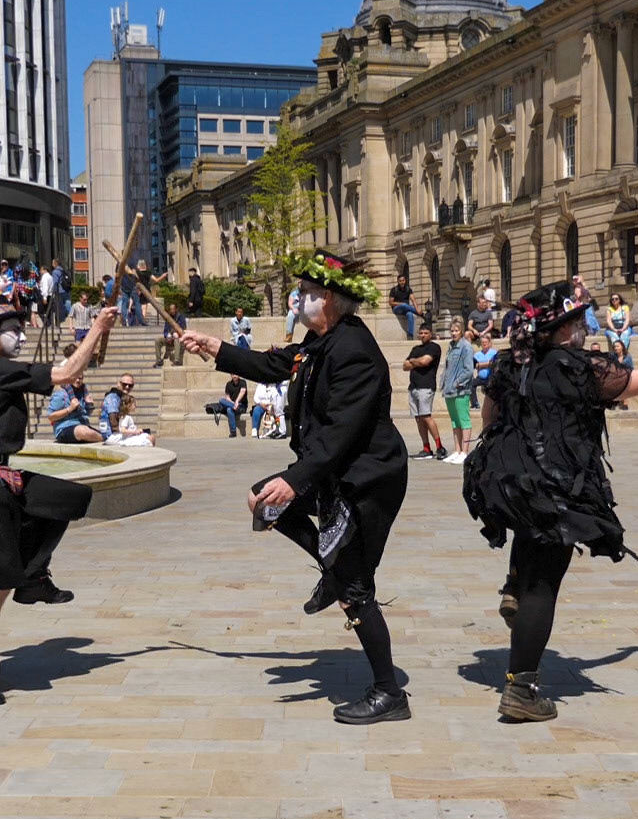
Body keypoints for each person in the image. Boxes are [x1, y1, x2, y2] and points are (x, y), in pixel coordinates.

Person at [179, 250, 411, 725]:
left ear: (329, 298)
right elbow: (274, 364)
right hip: (332, 469)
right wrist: (215, 347)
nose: (297, 299)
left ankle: (390, 693)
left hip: (366, 478)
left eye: (305, 292)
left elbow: (342, 432)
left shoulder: (354, 350)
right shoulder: (318, 341)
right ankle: (331, 569)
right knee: (262, 501)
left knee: (355, 590)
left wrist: (294, 479)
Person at [463, 280, 638, 722]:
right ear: (558, 330)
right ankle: (521, 690)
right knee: (543, 588)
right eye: (575, 322)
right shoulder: (580, 367)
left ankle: (514, 585)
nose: (582, 328)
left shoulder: (509, 365)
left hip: (512, 480)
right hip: (558, 487)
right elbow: (637, 383)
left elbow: (490, 418)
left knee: (529, 550)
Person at [0, 302, 116, 706]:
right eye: (13, 330)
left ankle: (33, 576)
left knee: (67, 497)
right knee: (0, 584)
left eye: (22, 328)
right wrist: (98, 327)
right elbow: (66, 374)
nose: (21, 336)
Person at [404, 323, 444, 460]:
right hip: (413, 387)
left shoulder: (434, 347)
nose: (423, 335)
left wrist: (413, 361)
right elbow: (405, 366)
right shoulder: (415, 349)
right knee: (418, 418)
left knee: (426, 416)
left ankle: (439, 446)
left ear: (431, 334)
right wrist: (416, 361)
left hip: (426, 386)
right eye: (421, 333)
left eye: (426, 333)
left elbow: (425, 362)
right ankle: (426, 448)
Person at [440, 316, 477, 463]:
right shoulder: (451, 346)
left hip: (461, 390)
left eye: (456, 330)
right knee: (455, 421)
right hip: (449, 389)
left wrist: (457, 382)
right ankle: (457, 450)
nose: (454, 333)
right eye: (452, 330)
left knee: (464, 420)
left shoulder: (466, 347)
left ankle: (465, 451)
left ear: (461, 331)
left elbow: (469, 370)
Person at [47, 373, 103, 443]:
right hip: (65, 428)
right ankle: (105, 439)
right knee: (83, 431)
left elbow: (86, 414)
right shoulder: (60, 395)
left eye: (80, 378)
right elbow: (51, 417)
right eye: (75, 378)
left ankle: (104, 437)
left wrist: (89, 405)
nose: (78, 380)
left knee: (88, 430)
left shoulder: (83, 392)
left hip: (83, 425)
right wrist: (69, 409)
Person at [389, 273, 417, 338]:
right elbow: (390, 303)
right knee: (404, 305)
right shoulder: (394, 290)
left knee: (410, 314)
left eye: (403, 280)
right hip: (396, 309)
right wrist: (401, 304)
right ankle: (419, 313)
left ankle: (410, 335)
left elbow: (413, 300)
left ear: (405, 281)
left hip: (405, 310)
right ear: (398, 281)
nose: (402, 282)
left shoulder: (408, 289)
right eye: (400, 281)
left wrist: (417, 308)